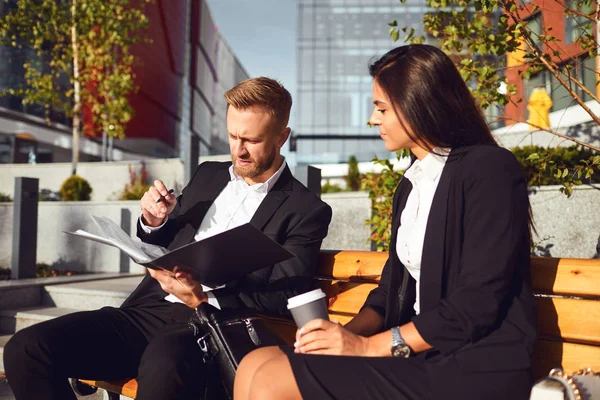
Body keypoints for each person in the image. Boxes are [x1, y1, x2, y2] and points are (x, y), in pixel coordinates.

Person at [234, 45, 537, 400]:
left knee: (273, 380)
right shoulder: (412, 184)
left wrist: (366, 348)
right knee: (255, 363)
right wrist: (341, 336)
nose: (373, 119)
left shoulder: (488, 169)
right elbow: (389, 291)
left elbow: (477, 303)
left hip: (473, 366)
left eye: (381, 108)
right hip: (420, 354)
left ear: (418, 104)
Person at [3, 77, 332, 400]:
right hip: (150, 311)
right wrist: (153, 220)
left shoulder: (305, 209)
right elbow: (168, 238)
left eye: (252, 140)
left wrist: (201, 297)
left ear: (282, 136)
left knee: (163, 359)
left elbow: (285, 293)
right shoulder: (208, 175)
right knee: (26, 349)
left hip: (216, 324)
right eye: (233, 136)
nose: (239, 149)